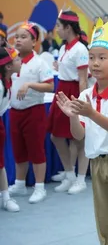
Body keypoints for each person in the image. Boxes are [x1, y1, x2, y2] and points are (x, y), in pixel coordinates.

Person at [56, 18, 108, 245]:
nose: (95, 63)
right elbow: (79, 135)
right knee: (104, 226)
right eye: (92, 57)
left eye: (102, 58)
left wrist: (91, 114)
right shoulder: (85, 96)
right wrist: (74, 115)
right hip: (98, 164)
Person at [8, 22, 54, 203]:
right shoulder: (11, 60)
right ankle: (20, 184)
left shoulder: (39, 63)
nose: (18, 40)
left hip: (33, 112)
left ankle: (40, 187)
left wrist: (29, 85)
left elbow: (50, 86)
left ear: (34, 41)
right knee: (19, 150)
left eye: (23, 37)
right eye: (16, 37)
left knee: (36, 150)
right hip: (14, 111)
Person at [48, 11, 90, 195]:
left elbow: (82, 79)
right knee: (56, 135)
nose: (56, 30)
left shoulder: (81, 49)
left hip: (73, 91)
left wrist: (80, 104)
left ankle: (80, 179)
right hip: (62, 90)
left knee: (78, 139)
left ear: (67, 27)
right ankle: (69, 174)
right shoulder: (65, 48)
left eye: (58, 26)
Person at [0, 47, 21, 212]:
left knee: (0, 163)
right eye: (17, 59)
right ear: (8, 66)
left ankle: (6, 197)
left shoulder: (8, 81)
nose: (20, 61)